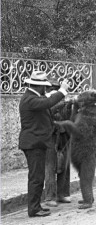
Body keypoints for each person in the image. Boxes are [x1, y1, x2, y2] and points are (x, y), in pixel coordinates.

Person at [18, 71, 69, 217]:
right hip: (33, 143)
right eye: (45, 87)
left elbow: (46, 106)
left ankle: (36, 206)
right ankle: (33, 209)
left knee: (37, 176)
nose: (46, 89)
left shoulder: (32, 97)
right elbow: (46, 103)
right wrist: (62, 91)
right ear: (39, 86)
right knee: (36, 177)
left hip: (36, 143)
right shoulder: (30, 99)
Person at [44, 79, 73, 208]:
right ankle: (50, 196)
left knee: (65, 166)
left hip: (64, 136)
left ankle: (63, 194)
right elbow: (48, 114)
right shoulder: (45, 102)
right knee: (50, 166)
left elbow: (69, 117)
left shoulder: (65, 102)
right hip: (50, 137)